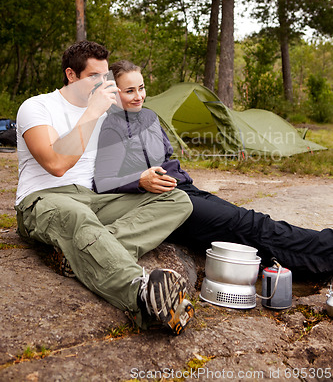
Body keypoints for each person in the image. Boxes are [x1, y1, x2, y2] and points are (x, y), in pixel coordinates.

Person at [15, 41, 195, 335]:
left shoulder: (106, 112)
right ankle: (142, 295)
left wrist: (143, 175)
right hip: (43, 199)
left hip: (92, 199)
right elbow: (56, 163)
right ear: (71, 75)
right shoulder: (37, 107)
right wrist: (92, 113)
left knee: (177, 201)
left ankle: (81, 254)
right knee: (77, 216)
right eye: (93, 77)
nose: (101, 84)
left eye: (104, 77)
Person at [94, 60, 333, 277]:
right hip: (164, 204)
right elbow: (103, 181)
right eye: (129, 91)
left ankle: (319, 255)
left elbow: (167, 156)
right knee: (249, 226)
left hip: (186, 190)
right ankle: (327, 249)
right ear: (114, 93)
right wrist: (139, 180)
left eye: (141, 88)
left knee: (251, 223)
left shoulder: (149, 117)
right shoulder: (112, 128)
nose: (139, 96)